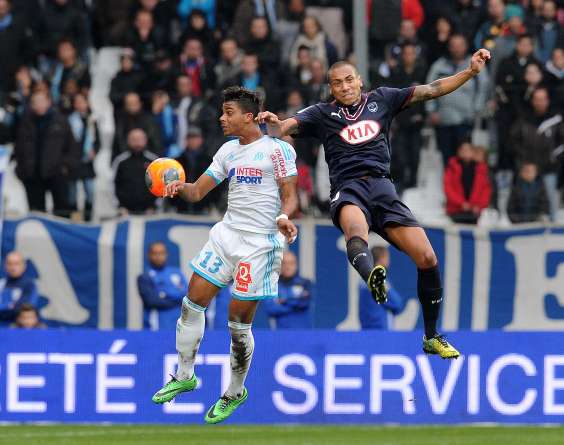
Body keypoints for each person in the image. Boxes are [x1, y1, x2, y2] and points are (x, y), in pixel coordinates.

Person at [257, 48, 492, 359]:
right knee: (356, 229)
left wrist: (470, 72)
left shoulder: (383, 99)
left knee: (428, 258)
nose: (344, 87)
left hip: (383, 189)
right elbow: (283, 128)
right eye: (337, 83)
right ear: (331, 88)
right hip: (348, 188)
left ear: (359, 81)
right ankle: (372, 275)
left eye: (349, 80)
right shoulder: (322, 114)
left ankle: (432, 335)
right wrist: (273, 123)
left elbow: (432, 89)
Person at [150, 87, 299, 424]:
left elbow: (290, 195)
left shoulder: (277, 150)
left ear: (248, 116)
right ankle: (185, 375)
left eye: (228, 112)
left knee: (236, 324)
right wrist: (175, 186)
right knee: (192, 302)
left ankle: (234, 391)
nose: (222, 117)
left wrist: (284, 217)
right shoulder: (229, 150)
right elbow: (198, 192)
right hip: (227, 235)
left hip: (260, 244)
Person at [14, 90, 80, 217]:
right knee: (36, 215)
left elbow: (72, 148)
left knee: (62, 213)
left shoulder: (61, 121)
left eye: (41, 101)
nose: (38, 105)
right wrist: (21, 169)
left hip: (57, 174)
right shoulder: (25, 122)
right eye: (35, 102)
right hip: (32, 175)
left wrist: (65, 167)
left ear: (48, 102)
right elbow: (19, 147)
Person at [137, 242, 188, 331]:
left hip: (179, 325)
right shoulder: (145, 277)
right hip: (156, 326)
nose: (158, 256)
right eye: (155, 253)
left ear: (166, 254)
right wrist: (177, 299)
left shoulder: (177, 273)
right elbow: (153, 301)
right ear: (149, 255)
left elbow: (187, 296)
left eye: (161, 253)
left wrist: (165, 294)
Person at [112, 128, 159, 215]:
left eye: (140, 139)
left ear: (145, 140)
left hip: (150, 212)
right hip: (125, 212)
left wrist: (155, 206)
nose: (137, 143)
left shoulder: (154, 161)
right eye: (134, 139)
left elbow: (162, 185)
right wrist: (119, 206)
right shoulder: (120, 161)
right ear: (128, 141)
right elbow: (112, 184)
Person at [262, 250, 313, 329]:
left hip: (303, 334)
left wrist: (284, 301)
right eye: (284, 263)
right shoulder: (272, 286)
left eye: (291, 263)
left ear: (296, 265)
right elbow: (270, 308)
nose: (288, 267)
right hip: (280, 335)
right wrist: (294, 301)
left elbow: (304, 303)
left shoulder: (305, 283)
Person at [443, 141, 492, 224]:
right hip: (455, 211)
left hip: (475, 212)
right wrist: (461, 203)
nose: (466, 152)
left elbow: (486, 190)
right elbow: (448, 188)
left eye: (468, 150)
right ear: (459, 152)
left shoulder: (481, 169)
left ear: (473, 152)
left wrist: (479, 206)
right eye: (463, 150)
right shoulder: (451, 167)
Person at [359, 246, 406, 330]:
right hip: (380, 332)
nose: (389, 261)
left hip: (367, 331)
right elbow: (397, 304)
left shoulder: (364, 279)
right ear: (382, 259)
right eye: (387, 257)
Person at [0, 252, 39, 325]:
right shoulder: (1, 283)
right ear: (5, 266)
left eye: (16, 264)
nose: (13, 267)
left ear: (24, 266)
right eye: (9, 264)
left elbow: (24, 309)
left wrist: (6, 308)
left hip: (18, 329)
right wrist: (9, 306)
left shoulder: (29, 285)